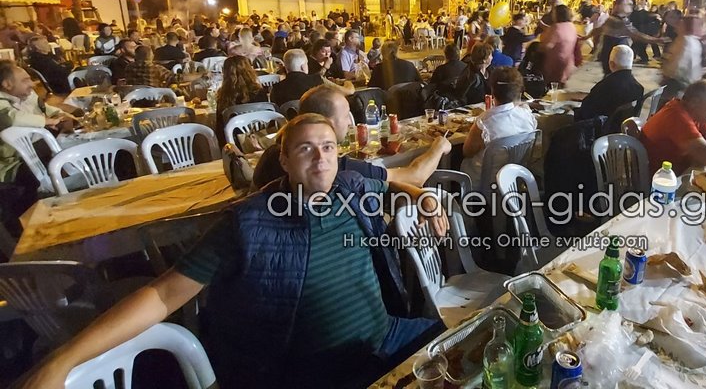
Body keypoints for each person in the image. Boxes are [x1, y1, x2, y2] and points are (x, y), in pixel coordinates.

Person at [21, 113, 449, 389]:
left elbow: (395, 182)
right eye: (305, 148)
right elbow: (163, 295)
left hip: (385, 340)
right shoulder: (248, 224)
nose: (320, 158)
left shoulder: (350, 186)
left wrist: (423, 196)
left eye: (328, 147)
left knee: (459, 351)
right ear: (284, 161)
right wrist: (65, 358)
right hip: (316, 372)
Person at [252, 85, 452, 189]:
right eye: (345, 115)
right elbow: (414, 177)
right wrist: (439, 147)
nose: (350, 122)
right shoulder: (332, 166)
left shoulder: (272, 154)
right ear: (328, 122)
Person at [0, 61, 72, 236]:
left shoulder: (27, 96)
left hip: (37, 152)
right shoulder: (2, 104)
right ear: (7, 84)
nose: (32, 84)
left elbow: (48, 109)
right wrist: (46, 122)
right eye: (25, 80)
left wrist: (63, 115)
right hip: (12, 165)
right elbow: (11, 118)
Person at [460, 66, 537, 187]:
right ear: (518, 92)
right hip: (515, 178)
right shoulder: (527, 116)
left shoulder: (485, 122)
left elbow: (467, 151)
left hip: (483, 181)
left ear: (492, 91)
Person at [640, 80, 706, 177]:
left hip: (676, 175)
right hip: (661, 180)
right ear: (694, 102)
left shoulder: (694, 115)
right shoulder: (676, 116)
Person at [574, 45, 644, 122]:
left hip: (601, 126)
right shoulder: (638, 87)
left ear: (612, 64)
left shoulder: (605, 87)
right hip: (623, 126)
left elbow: (586, 111)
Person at [215, 56, 270, 143]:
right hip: (261, 139)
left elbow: (220, 128)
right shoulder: (260, 93)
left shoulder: (224, 96)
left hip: (234, 142)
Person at [660, 15, 705, 103]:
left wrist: (666, 74)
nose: (676, 27)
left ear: (686, 27)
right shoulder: (692, 40)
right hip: (685, 81)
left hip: (678, 82)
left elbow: (678, 64)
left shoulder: (686, 41)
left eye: (680, 24)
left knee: (667, 105)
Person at [539, 4, 579, 84]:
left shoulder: (556, 27)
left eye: (554, 13)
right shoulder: (572, 26)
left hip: (555, 64)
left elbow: (548, 46)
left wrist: (537, 47)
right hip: (568, 62)